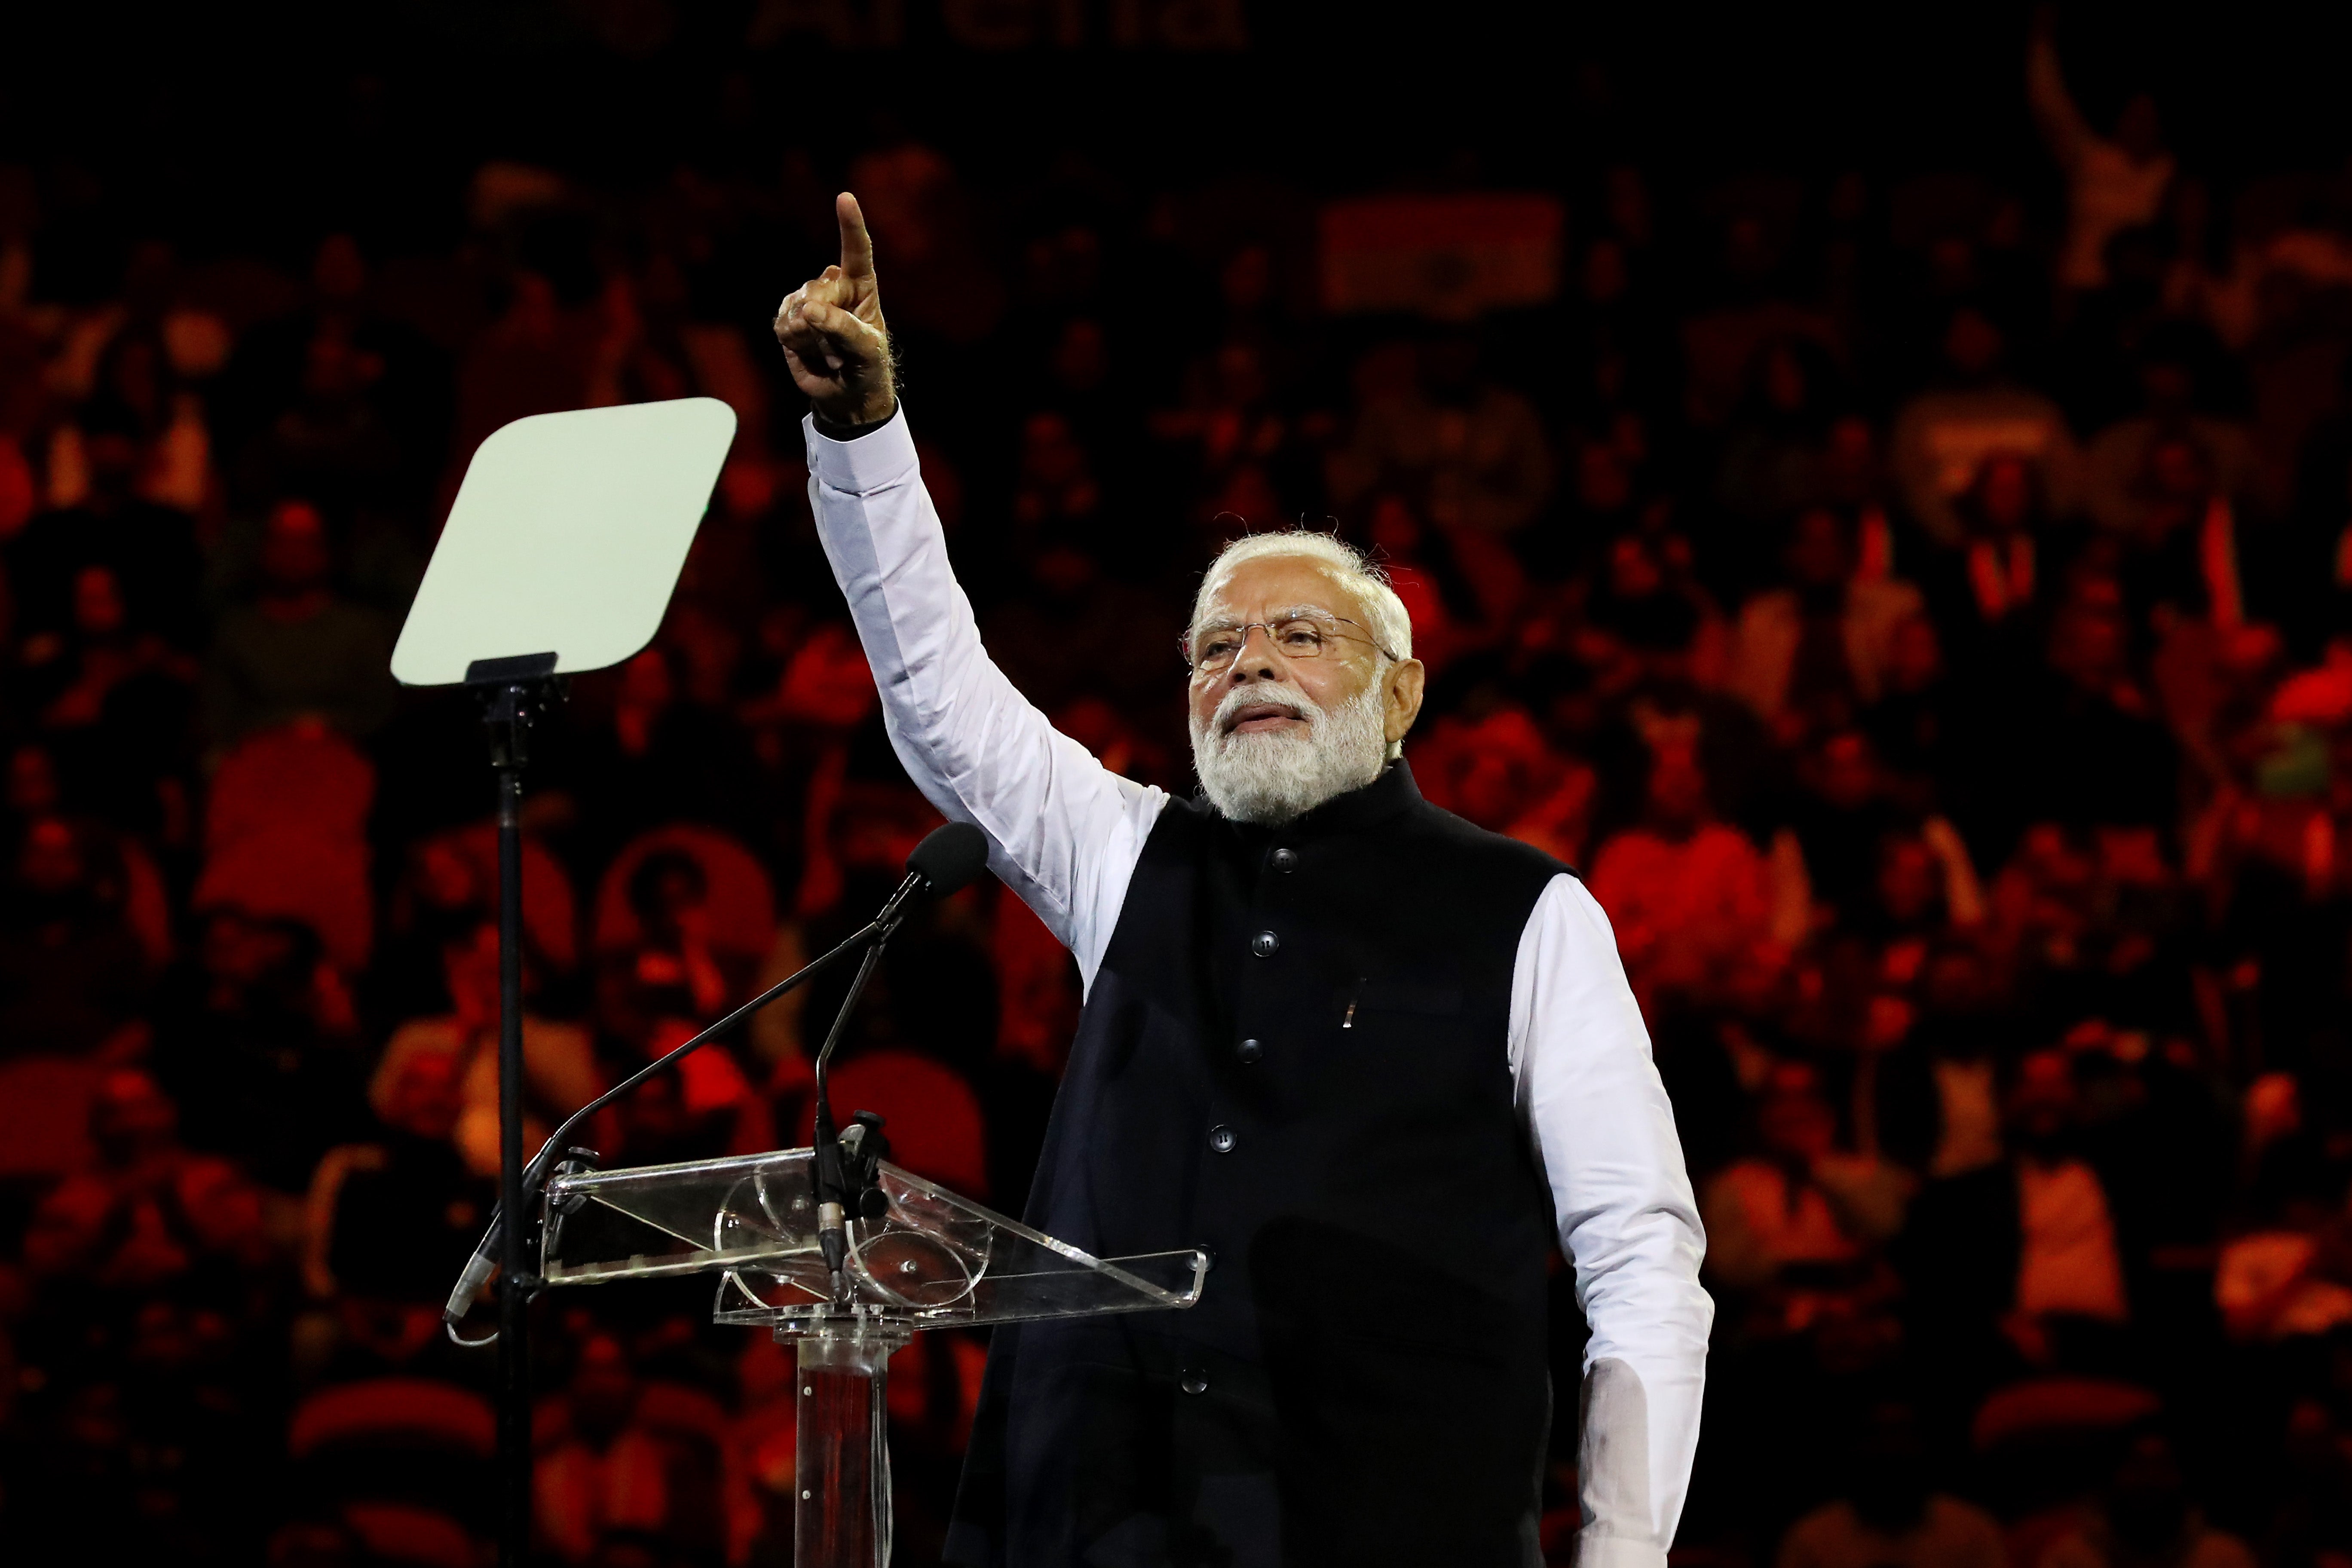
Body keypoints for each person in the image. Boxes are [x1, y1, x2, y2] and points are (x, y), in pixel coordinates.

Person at [774, 194, 1710, 1568]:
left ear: (1401, 696)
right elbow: (940, 697)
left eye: (1297, 633)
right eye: (1216, 646)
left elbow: (1638, 1266)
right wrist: (864, 439)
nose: (1247, 662)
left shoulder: (1531, 916)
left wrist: (1621, 1557)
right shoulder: (1125, 853)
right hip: (1091, 1524)